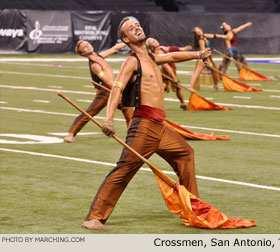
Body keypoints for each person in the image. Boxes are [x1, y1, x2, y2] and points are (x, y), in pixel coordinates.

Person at [81, 17, 211, 230]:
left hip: (159, 125)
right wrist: (108, 119)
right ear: (125, 38)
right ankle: (95, 218)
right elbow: (116, 88)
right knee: (125, 169)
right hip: (143, 126)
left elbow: (172, 55)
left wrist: (198, 54)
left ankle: (194, 207)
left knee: (185, 154)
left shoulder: (151, 57)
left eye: (137, 25)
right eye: (131, 29)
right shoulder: (132, 61)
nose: (137, 28)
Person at [64, 40, 133, 143]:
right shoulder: (94, 65)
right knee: (90, 112)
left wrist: (128, 42)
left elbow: (114, 48)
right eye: (84, 47)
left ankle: (132, 136)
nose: (87, 46)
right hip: (105, 91)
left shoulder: (99, 57)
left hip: (112, 90)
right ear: (83, 54)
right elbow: (107, 81)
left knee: (128, 109)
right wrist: (119, 89)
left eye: (87, 44)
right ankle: (70, 135)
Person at [145, 37, 190, 110]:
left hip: (171, 70)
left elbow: (172, 49)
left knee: (178, 87)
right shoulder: (158, 52)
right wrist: (173, 76)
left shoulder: (161, 48)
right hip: (166, 73)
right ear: (151, 47)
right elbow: (165, 65)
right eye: (152, 42)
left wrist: (183, 49)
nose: (155, 41)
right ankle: (150, 105)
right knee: (162, 88)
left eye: (154, 40)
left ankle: (183, 104)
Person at [189, 27, 219, 91]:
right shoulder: (200, 40)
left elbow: (214, 36)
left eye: (199, 30)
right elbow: (203, 52)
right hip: (203, 57)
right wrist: (207, 61)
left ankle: (216, 85)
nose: (200, 31)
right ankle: (191, 87)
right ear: (196, 34)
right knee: (197, 72)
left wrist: (224, 36)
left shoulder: (204, 36)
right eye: (198, 32)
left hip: (208, 56)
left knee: (214, 70)